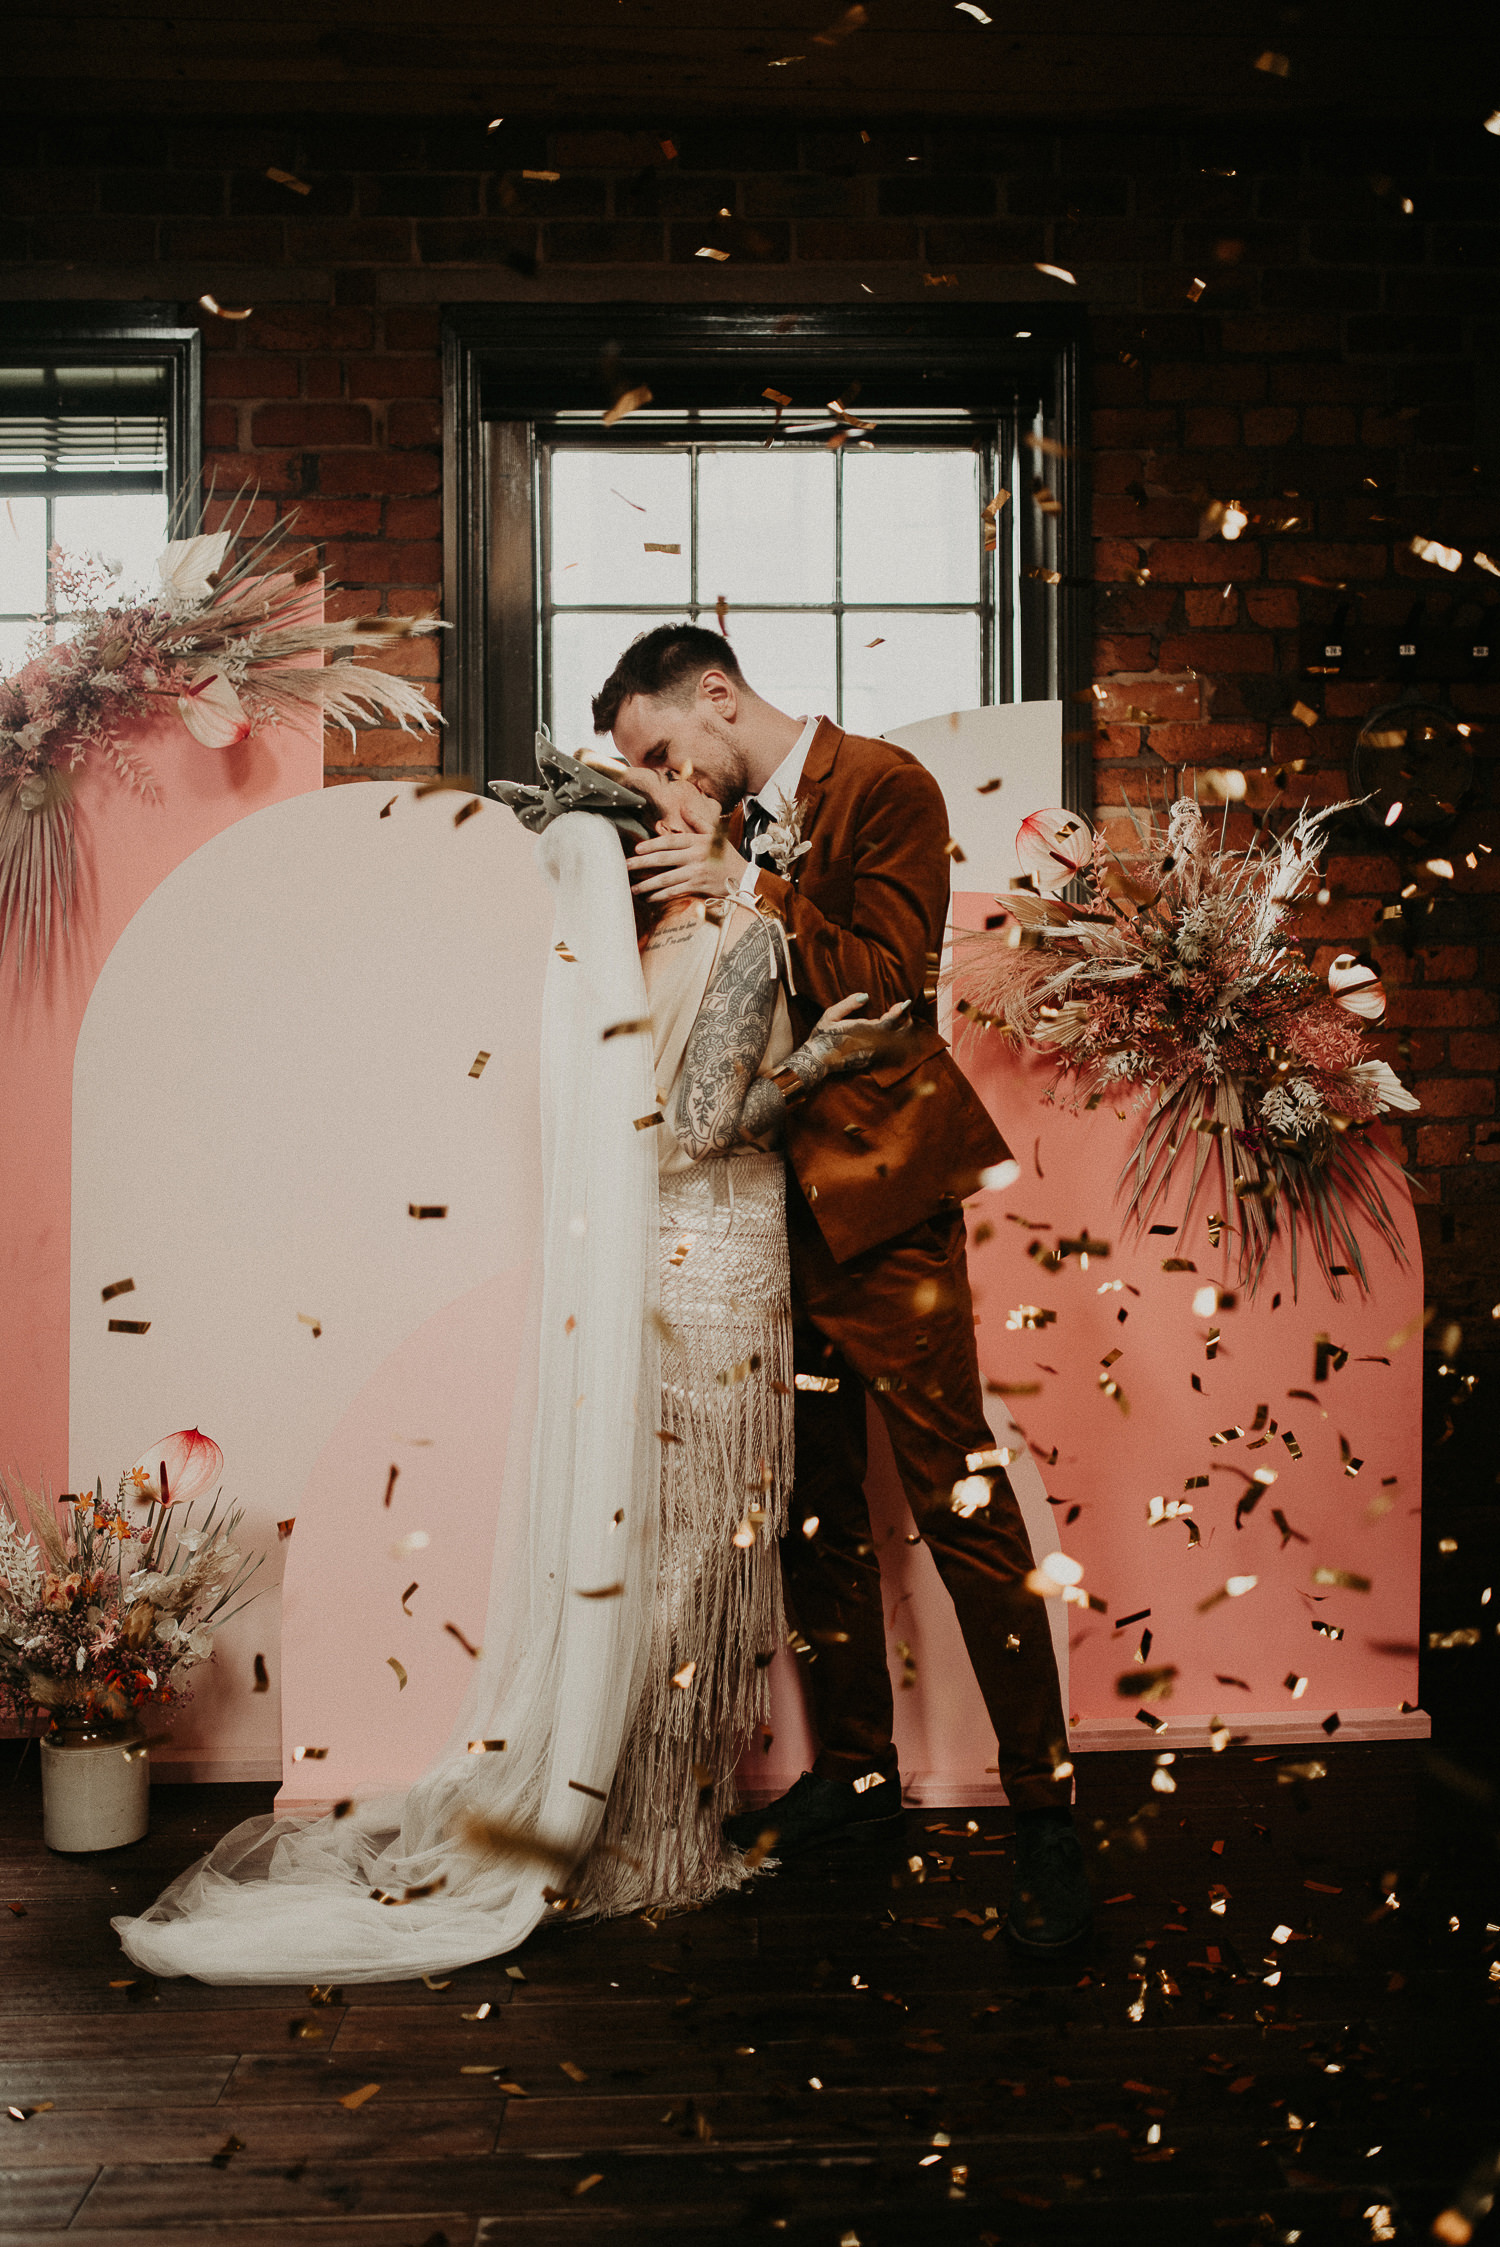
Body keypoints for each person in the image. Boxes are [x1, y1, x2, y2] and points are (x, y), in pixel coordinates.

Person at [109, 752, 891, 1983]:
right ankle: (646, 1842)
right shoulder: (736, 943)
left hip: (653, 1286)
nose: (702, 799)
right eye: (678, 797)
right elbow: (698, 1128)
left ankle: (622, 1813)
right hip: (725, 1280)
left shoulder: (609, 971)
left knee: (657, 1562)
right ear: (658, 847)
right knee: (693, 1567)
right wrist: (819, 1062)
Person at [594, 622, 1092, 1955]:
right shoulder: (736, 823)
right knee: (812, 1506)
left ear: (716, 695)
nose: (663, 778)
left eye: (659, 750)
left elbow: (885, 979)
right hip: (769, 1218)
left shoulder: (886, 785)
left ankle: (1047, 1807)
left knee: (956, 1493)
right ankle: (859, 1773)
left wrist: (739, 888)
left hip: (884, 1214)